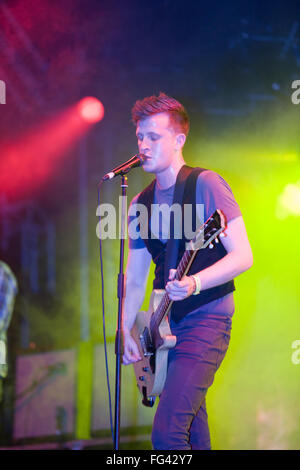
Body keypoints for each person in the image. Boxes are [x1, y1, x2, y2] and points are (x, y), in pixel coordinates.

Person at [122, 92, 253, 450]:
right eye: (139, 137)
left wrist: (195, 282)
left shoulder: (205, 184)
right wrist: (125, 327)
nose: (143, 145)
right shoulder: (138, 204)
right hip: (163, 330)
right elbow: (134, 278)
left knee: (166, 436)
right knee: (195, 437)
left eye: (154, 137)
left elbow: (243, 256)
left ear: (179, 140)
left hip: (205, 322)